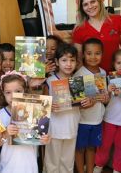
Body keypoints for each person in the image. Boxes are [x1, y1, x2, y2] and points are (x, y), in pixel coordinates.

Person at [44, 43, 91, 173]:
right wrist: (48, 105)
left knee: (68, 161)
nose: (68, 64)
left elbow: (83, 105)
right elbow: (41, 104)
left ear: (77, 62)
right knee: (52, 162)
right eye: (64, 60)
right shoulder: (49, 81)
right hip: (54, 129)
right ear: (57, 62)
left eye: (72, 60)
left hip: (71, 127)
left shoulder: (78, 82)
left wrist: (87, 102)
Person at [73, 0, 121, 74]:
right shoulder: (79, 29)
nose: (90, 6)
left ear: (99, 1)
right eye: (85, 4)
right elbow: (79, 59)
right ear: (82, 8)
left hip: (117, 75)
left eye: (93, 2)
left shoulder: (117, 20)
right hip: (94, 79)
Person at [0, 71, 50, 173]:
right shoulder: (0, 115)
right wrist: (6, 133)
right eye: (8, 92)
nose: (13, 96)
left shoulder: (35, 111)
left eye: (18, 91)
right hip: (9, 166)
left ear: (25, 91)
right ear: (3, 93)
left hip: (30, 165)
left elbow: (41, 138)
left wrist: (45, 139)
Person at [74, 38, 109, 173]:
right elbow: (76, 103)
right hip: (83, 120)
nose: (93, 57)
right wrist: (90, 101)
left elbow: (104, 97)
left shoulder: (103, 72)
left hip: (97, 120)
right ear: (83, 54)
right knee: (80, 148)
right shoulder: (79, 74)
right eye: (89, 53)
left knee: (91, 148)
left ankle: (90, 170)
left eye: (97, 53)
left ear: (102, 54)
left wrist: (106, 98)